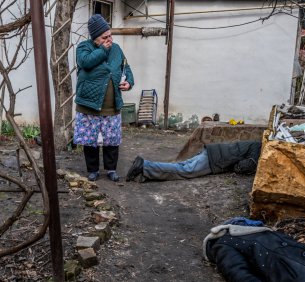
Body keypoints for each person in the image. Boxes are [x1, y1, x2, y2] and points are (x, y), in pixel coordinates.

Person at [73, 14, 134, 182]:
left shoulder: (117, 49)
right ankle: (92, 170)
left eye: (110, 35)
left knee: (112, 140)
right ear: (95, 38)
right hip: (89, 104)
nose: (110, 39)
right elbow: (86, 63)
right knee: (90, 140)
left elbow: (126, 67)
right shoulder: (83, 48)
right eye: (105, 37)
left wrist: (129, 81)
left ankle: (111, 169)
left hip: (112, 105)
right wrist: (103, 50)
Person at [125, 141, 261, 182]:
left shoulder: (255, 144)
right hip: (214, 160)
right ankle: (144, 166)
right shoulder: (259, 148)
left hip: (211, 152)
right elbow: (245, 166)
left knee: (181, 166)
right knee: (185, 171)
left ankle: (144, 173)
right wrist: (237, 167)